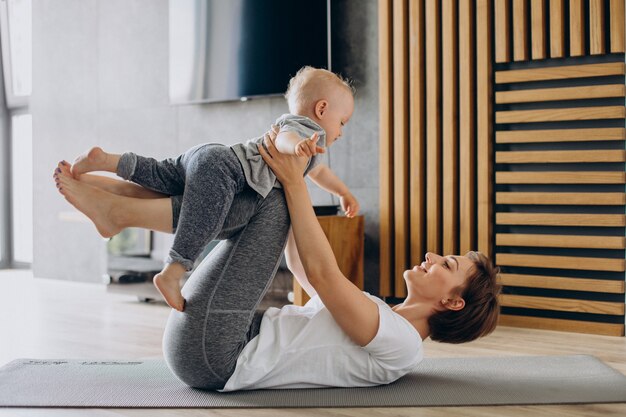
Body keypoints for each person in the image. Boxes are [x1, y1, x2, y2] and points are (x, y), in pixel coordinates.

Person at [53, 127, 501, 391]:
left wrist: (294, 183)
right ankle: (120, 201)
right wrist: (287, 180)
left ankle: (122, 209)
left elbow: (324, 277)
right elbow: (305, 269)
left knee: (268, 198)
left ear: (453, 303)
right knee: (259, 196)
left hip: (215, 355)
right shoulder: (382, 313)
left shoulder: (401, 343)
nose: (433, 256)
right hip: (214, 340)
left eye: (447, 265)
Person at [60, 66, 360, 312]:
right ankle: (173, 272)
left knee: (161, 173)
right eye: (342, 122)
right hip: (225, 169)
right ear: (321, 109)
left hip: (207, 156)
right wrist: (297, 147)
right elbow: (285, 140)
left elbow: (321, 173)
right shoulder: (304, 132)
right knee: (204, 218)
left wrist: (343, 193)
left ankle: (107, 162)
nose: (341, 131)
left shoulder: (308, 150)